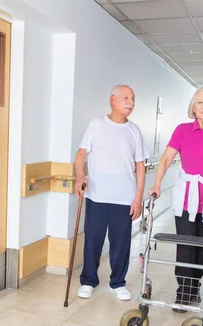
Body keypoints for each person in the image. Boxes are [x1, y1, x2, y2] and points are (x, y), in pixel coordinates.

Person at [148, 87, 203, 308]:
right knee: (186, 244)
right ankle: (184, 291)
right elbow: (167, 159)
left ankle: (194, 286)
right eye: (200, 103)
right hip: (187, 197)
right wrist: (157, 184)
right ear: (193, 108)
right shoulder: (182, 130)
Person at [74, 84, 148, 301]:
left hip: (124, 198)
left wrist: (138, 198)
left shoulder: (134, 131)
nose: (131, 102)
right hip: (97, 195)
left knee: (121, 243)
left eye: (133, 98)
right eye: (126, 97)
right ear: (112, 100)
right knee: (92, 241)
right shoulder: (96, 125)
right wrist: (80, 176)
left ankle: (118, 283)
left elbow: (141, 167)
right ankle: (88, 280)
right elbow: (81, 155)